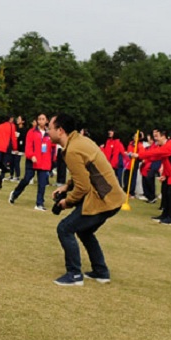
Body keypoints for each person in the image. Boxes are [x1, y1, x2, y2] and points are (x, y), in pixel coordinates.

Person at [48, 113, 125, 286]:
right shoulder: (79, 141)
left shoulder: (73, 150)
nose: (47, 131)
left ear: (60, 131)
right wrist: (66, 187)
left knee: (65, 228)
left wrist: (66, 202)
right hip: (112, 198)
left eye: (50, 128)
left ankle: (74, 275)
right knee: (84, 230)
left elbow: (82, 187)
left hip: (104, 200)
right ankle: (101, 272)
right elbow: (82, 173)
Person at [133, 127, 171, 225]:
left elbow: (155, 153)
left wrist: (139, 155)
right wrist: (165, 174)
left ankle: (170, 218)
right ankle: (164, 215)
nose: (155, 139)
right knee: (166, 193)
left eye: (157, 136)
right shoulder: (163, 146)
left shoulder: (169, 145)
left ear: (163, 136)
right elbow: (160, 159)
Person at [9, 113, 54, 211]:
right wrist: (31, 155)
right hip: (32, 161)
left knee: (42, 183)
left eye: (43, 119)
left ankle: (39, 203)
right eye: (39, 119)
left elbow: (53, 146)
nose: (41, 121)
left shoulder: (50, 133)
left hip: (44, 162)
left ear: (46, 121)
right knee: (26, 179)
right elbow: (28, 146)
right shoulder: (32, 132)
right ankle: (15, 194)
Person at [0, 115, 17, 188]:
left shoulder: (0, 126)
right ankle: (2, 177)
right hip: (6, 146)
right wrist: (15, 147)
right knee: (4, 163)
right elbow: (13, 137)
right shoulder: (11, 126)